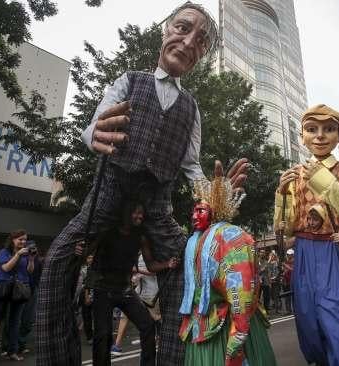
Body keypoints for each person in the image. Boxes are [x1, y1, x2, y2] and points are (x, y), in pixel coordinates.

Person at [35, 4, 249, 365]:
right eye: (183, 28)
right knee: (57, 261)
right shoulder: (128, 80)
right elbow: (94, 126)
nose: (188, 41)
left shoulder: (192, 108)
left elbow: (192, 167)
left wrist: (218, 195)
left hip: (156, 206)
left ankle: (175, 358)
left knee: (185, 267)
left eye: (201, 41)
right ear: (165, 31)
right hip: (108, 196)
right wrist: (95, 134)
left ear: (201, 56)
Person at [275, 104, 339, 366]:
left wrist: (326, 183)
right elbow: (285, 227)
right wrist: (281, 195)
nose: (319, 136)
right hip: (302, 250)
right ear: (302, 136)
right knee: (307, 321)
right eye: (311, 129)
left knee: (337, 316)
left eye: (328, 130)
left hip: (331, 249)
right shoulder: (294, 175)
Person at [179, 175, 276, 365]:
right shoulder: (193, 241)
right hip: (204, 324)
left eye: (201, 210)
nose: (194, 216)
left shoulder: (231, 235)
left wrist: (238, 333)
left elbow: (242, 286)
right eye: (194, 211)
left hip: (228, 324)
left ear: (214, 211)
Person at [84, 202, 158, 366]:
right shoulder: (107, 231)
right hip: (103, 289)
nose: (140, 216)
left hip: (125, 290)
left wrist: (168, 264)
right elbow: (86, 252)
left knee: (147, 325)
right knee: (103, 334)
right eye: (136, 213)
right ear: (126, 212)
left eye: (142, 214)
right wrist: (80, 250)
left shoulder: (140, 236)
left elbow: (151, 265)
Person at [0, 230, 35, 365]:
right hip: (3, 289)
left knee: (15, 322)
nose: (23, 242)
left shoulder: (26, 254)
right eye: (20, 239)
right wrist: (18, 255)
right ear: (13, 240)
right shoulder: (4, 252)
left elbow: (29, 271)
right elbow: (6, 268)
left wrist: (31, 259)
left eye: (25, 239)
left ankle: (12, 351)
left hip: (19, 291)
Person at [281, 249, 294, 314]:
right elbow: (284, 270)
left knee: (293, 296)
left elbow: (292, 269)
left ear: (292, 255)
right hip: (286, 281)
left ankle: (295, 308)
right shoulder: (286, 261)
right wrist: (283, 270)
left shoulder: (294, 261)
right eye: (288, 254)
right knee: (286, 296)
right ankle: (288, 310)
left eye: (290, 254)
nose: (288, 255)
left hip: (292, 281)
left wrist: (286, 266)